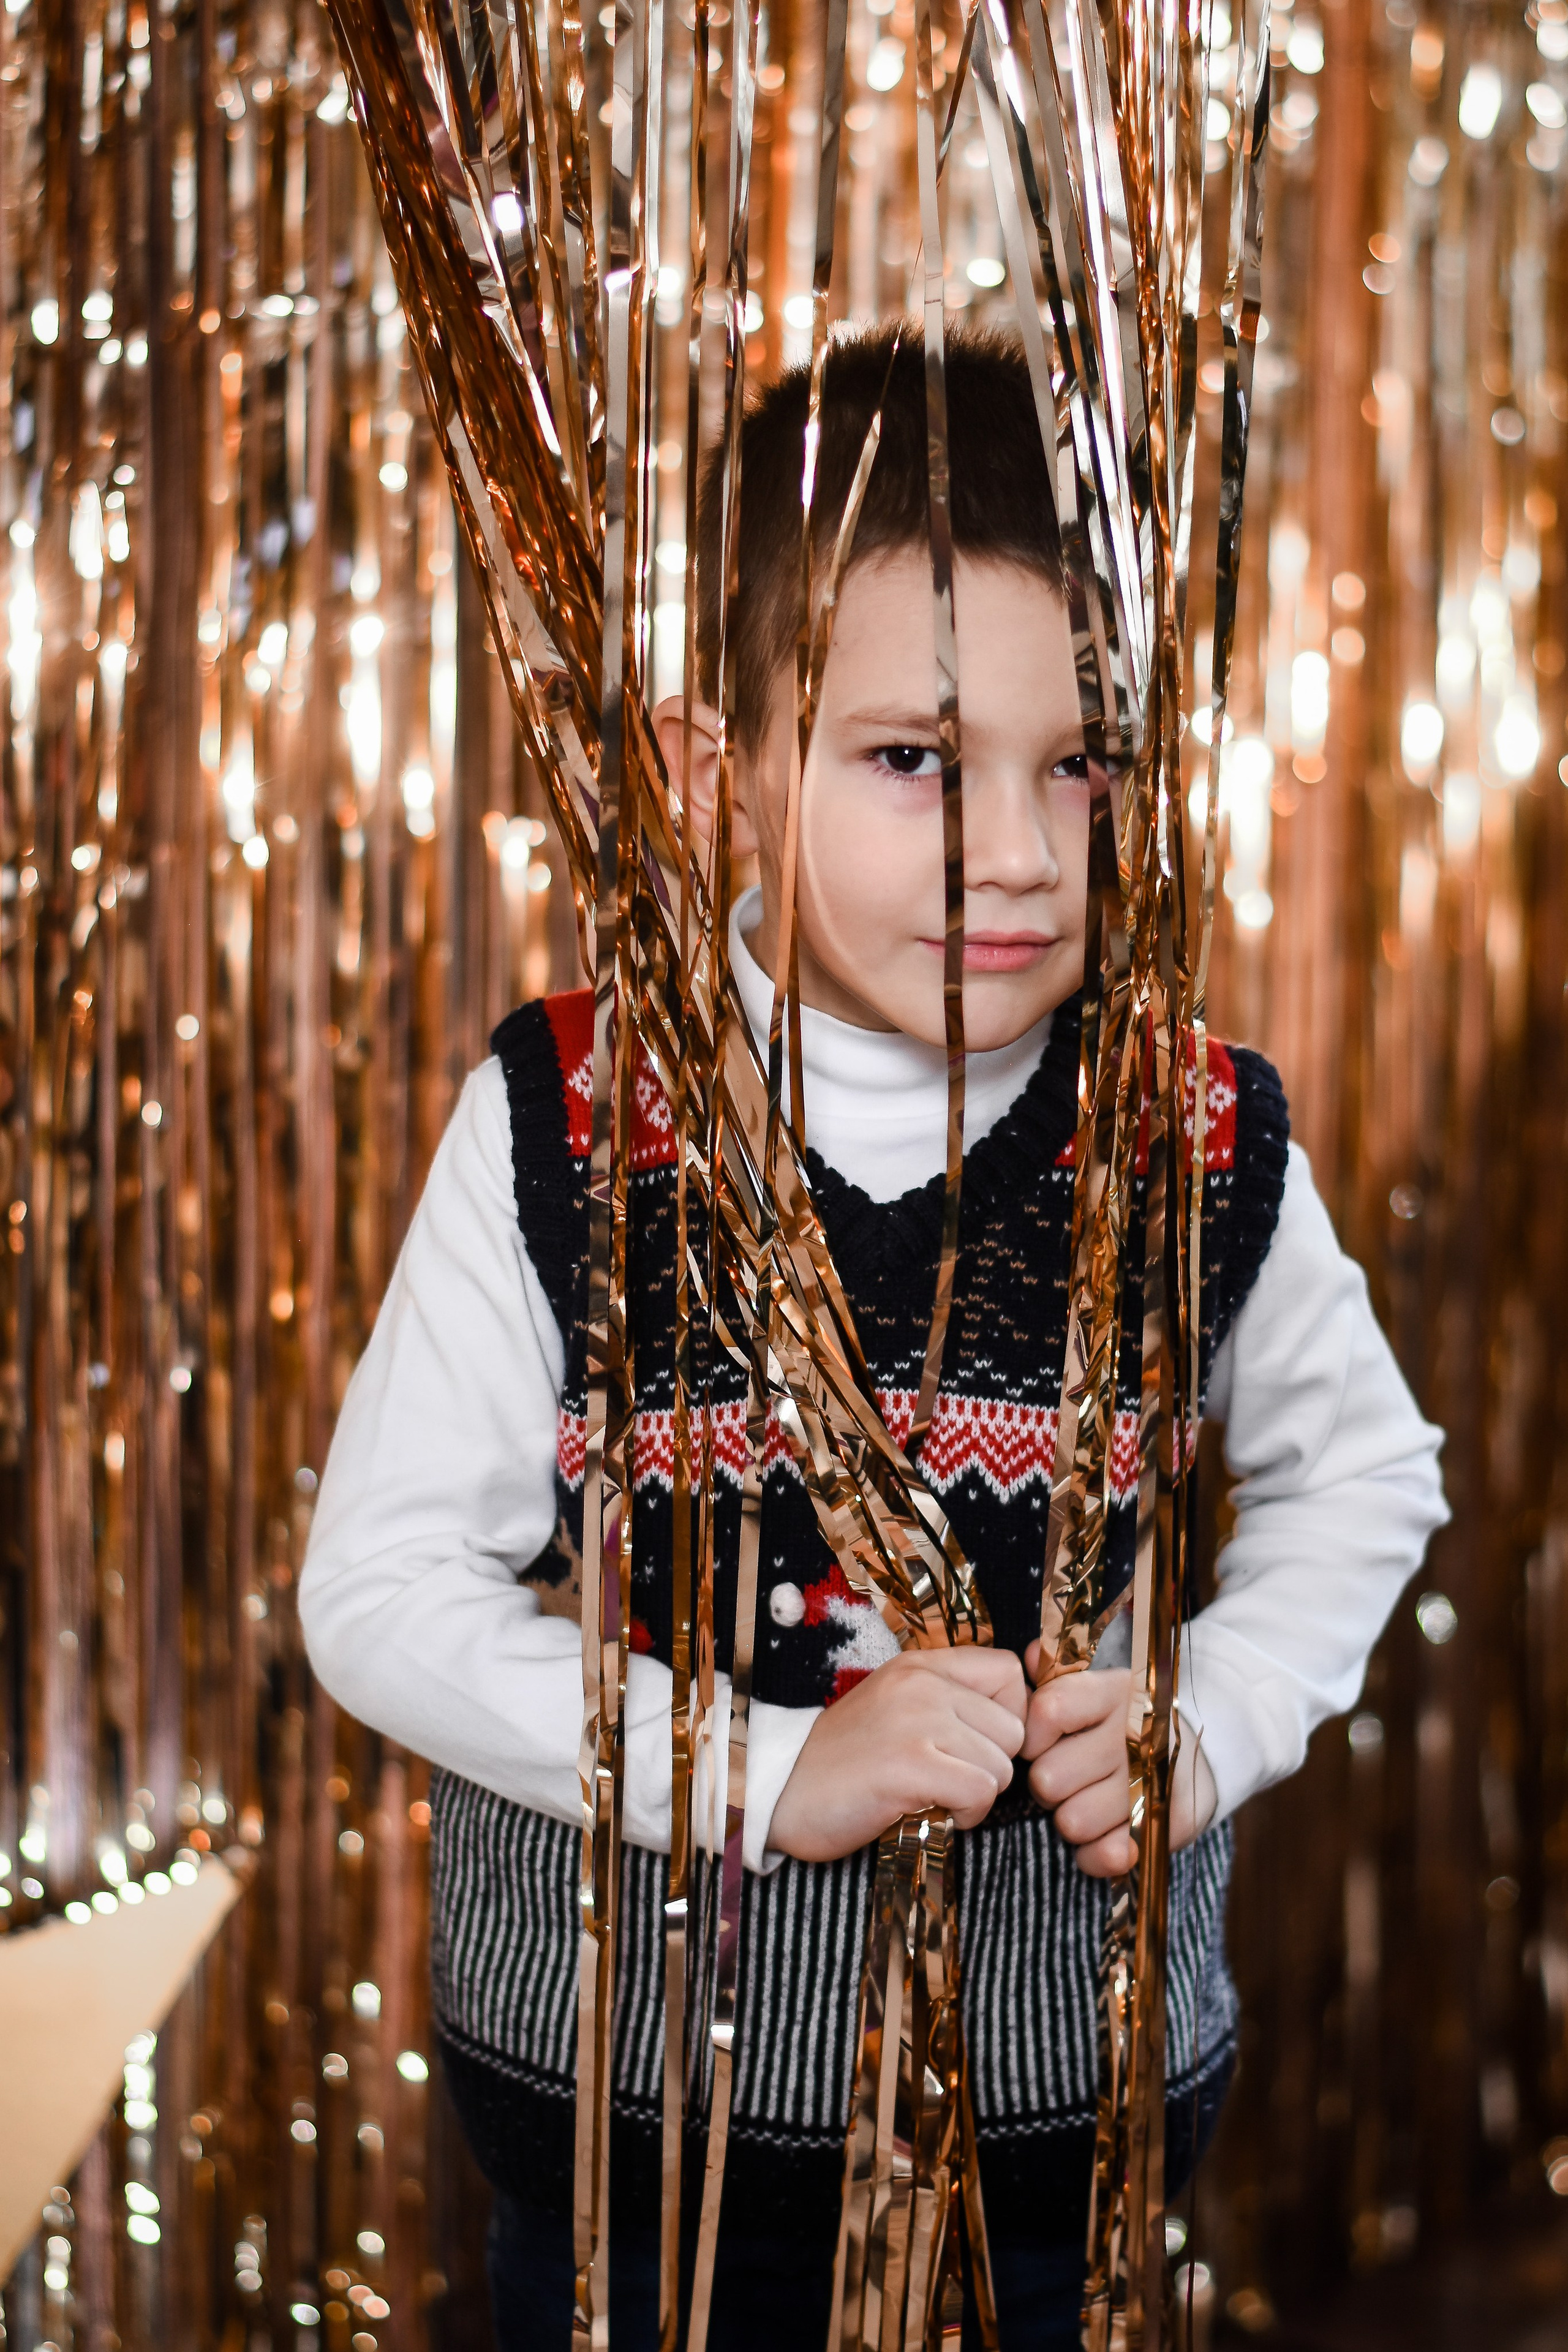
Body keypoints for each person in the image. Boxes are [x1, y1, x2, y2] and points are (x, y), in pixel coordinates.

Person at [300, 323, 1447, 2350]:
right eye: (915, 761)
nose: (1017, 850)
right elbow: (376, 1591)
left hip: (1050, 2141)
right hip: (633, 2161)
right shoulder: (569, 1122)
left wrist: (1215, 1716)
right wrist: (767, 1774)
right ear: (711, 765)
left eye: (1076, 761)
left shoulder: (1187, 1137)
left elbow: (1369, 1469)